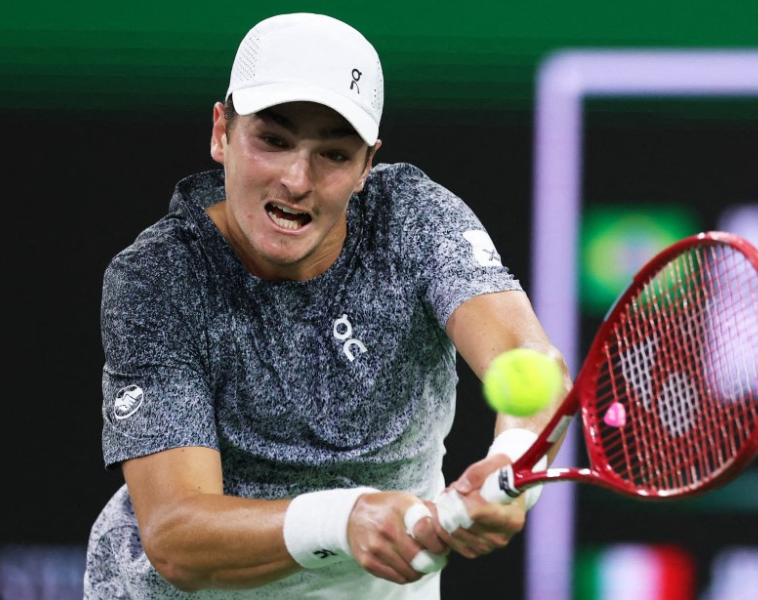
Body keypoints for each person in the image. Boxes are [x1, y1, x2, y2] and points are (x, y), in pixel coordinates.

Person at [84, 12, 569, 600]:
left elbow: (529, 359)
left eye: (334, 154)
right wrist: (343, 520)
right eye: (273, 140)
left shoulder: (411, 218)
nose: (296, 180)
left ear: (366, 166)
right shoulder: (159, 278)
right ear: (221, 133)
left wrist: (513, 465)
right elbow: (177, 536)